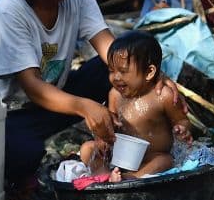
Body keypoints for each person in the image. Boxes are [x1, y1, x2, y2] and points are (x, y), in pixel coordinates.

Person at [0, 0, 178, 196]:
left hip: (55, 99)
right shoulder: (8, 6)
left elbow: (110, 49)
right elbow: (33, 87)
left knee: (116, 67)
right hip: (9, 114)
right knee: (24, 153)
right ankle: (19, 182)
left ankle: (130, 140)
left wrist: (156, 79)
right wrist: (86, 107)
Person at [80, 31, 192, 181]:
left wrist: (182, 129)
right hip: (121, 156)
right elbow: (111, 124)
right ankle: (103, 176)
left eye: (123, 71)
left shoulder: (163, 96)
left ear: (149, 72)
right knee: (87, 149)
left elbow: (182, 120)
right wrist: (104, 136)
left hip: (152, 157)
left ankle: (130, 178)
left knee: (166, 161)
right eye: (111, 71)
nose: (116, 77)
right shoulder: (114, 94)